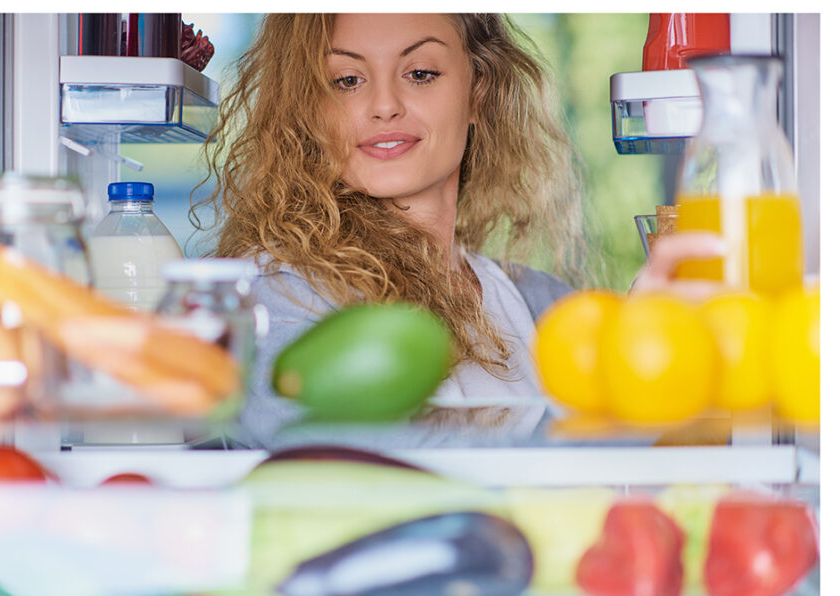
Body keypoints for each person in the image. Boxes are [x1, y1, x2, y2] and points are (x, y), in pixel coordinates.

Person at [192, 14, 724, 449]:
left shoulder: (539, 303)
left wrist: (651, 351)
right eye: (346, 81)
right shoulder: (270, 295)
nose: (383, 106)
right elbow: (347, 449)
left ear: (477, 94)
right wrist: (622, 394)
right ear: (310, 109)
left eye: (420, 73)